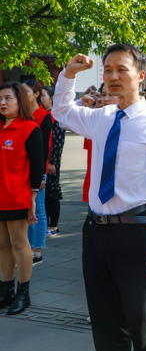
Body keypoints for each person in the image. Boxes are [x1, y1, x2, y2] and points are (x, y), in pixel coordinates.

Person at [52, 44, 146, 351]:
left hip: (135, 233)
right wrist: (69, 74)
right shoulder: (101, 117)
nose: (113, 76)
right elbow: (61, 112)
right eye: (108, 69)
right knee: (104, 321)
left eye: (121, 70)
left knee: (140, 322)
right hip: (95, 230)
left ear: (140, 76)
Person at [0, 82, 44, 315]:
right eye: (0, 99)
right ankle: (5, 291)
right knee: (2, 245)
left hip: (17, 197)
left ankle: (23, 293)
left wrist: (33, 198)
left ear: (20, 101)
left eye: (8, 98)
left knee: (19, 243)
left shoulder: (29, 129)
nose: (3, 103)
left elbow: (37, 167)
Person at [22, 79, 52, 266]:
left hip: (38, 169)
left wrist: (42, 174)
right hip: (22, 168)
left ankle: (37, 251)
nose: (22, 94)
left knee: (38, 209)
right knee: (26, 209)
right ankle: (25, 248)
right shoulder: (21, 115)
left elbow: (46, 148)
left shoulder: (44, 116)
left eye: (26, 91)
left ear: (36, 94)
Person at [41, 86, 65, 237]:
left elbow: (58, 143)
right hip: (42, 161)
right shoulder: (41, 115)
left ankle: (53, 225)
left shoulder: (56, 116)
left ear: (51, 98)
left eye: (44, 95)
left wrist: (53, 163)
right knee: (44, 194)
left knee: (52, 194)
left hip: (51, 162)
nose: (41, 98)